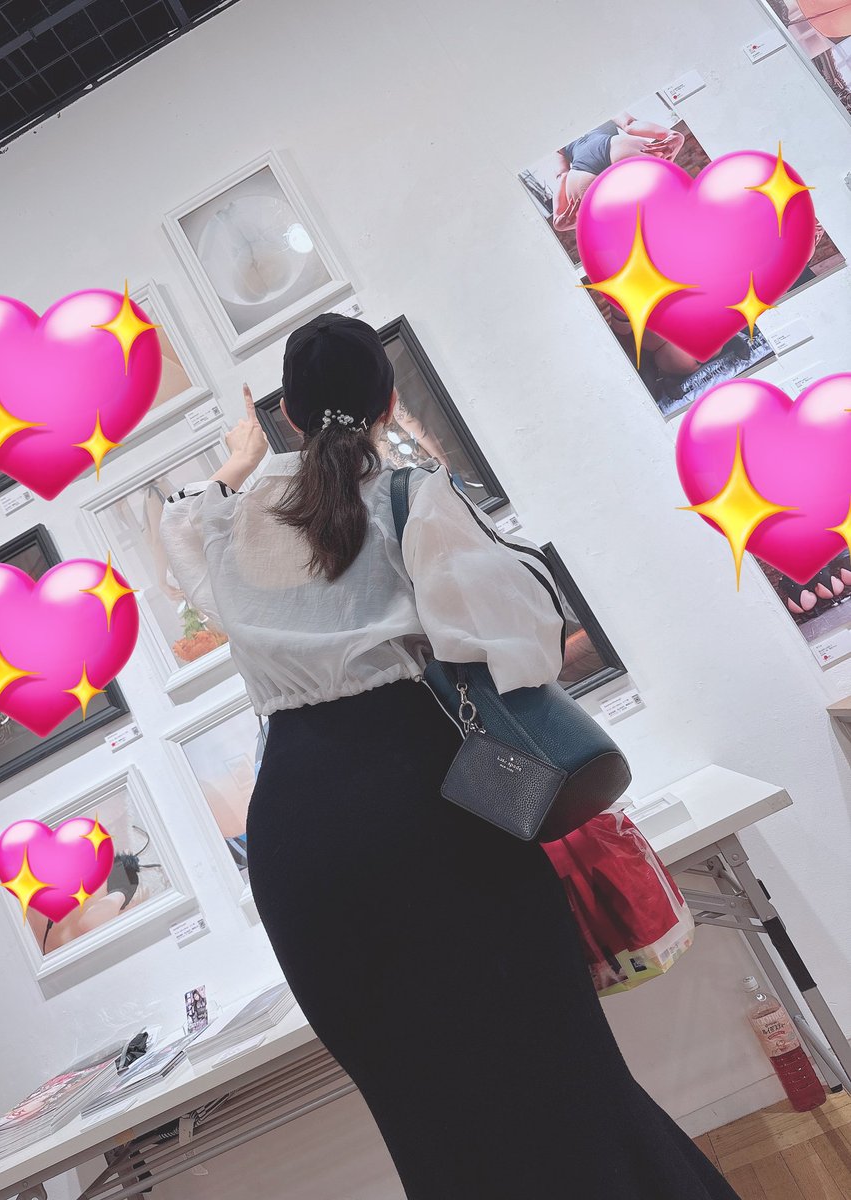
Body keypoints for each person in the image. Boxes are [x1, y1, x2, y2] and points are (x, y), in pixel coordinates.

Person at [158, 313, 739, 1199]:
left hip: (298, 843)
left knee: (425, 1111)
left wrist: (238, 465)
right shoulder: (409, 495)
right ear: (388, 401)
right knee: (560, 1071)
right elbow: (524, 643)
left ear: (288, 414)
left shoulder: (230, 525)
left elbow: (183, 526)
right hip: (429, 803)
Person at [548, 111, 686, 233]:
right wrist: (671, 134)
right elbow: (630, 124)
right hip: (617, 147)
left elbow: (562, 176)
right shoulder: (596, 103)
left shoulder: (555, 139)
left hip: (581, 173)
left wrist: (558, 218)